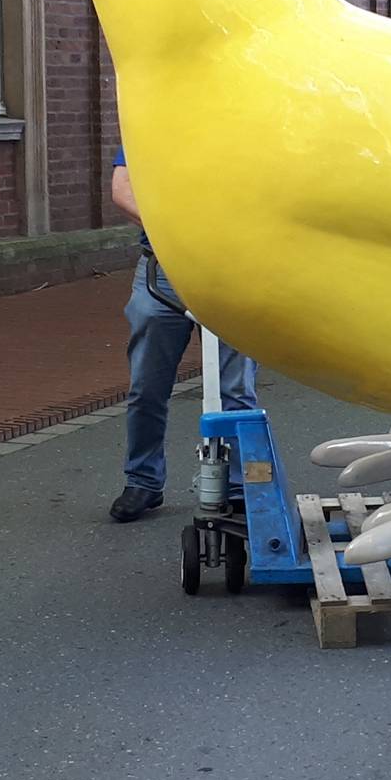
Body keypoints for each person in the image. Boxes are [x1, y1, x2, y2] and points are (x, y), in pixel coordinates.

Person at [108, 144, 260, 523]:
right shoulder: (159, 121)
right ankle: (143, 481)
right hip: (165, 272)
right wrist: (174, 227)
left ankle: (242, 487)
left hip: (232, 272)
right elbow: (122, 187)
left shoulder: (251, 124)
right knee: (147, 387)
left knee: (236, 390)